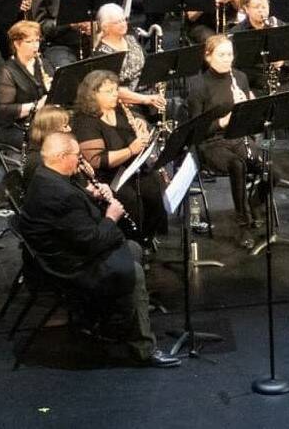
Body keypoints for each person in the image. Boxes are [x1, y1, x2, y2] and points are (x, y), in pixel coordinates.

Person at [17, 131, 179, 368]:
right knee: (134, 271)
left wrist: (89, 194)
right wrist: (111, 217)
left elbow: (74, 219)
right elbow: (93, 241)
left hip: (65, 252)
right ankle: (143, 348)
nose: (80, 162)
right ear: (62, 156)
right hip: (71, 267)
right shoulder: (60, 195)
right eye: (77, 157)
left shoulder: (44, 176)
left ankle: (119, 315)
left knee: (133, 248)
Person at [186, 34, 266, 249]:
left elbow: (251, 118)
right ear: (208, 57)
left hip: (239, 138)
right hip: (211, 143)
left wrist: (250, 108)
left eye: (230, 54)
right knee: (237, 165)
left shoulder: (239, 77)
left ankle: (254, 201)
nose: (227, 59)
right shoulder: (198, 85)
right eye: (221, 55)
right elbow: (196, 131)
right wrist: (224, 121)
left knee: (270, 170)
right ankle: (243, 225)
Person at [70, 70, 166, 245]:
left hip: (130, 169)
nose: (115, 94)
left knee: (153, 185)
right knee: (130, 198)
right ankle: (131, 241)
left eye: (115, 89)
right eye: (109, 91)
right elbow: (97, 160)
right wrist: (130, 150)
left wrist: (141, 123)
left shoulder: (119, 108)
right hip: (108, 178)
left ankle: (148, 235)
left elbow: (135, 120)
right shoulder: (85, 122)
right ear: (92, 95)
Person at [229, 0, 289, 173]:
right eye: (256, 7)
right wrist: (244, 89)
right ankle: (255, 161)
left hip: (280, 80)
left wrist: (283, 61)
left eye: (264, 7)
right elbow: (234, 67)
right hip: (253, 83)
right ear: (246, 9)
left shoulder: (279, 26)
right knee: (250, 111)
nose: (261, 11)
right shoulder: (237, 33)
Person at [93, 3, 166, 112]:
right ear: (105, 26)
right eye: (118, 22)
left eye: (124, 20)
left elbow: (147, 65)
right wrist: (146, 99)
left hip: (148, 96)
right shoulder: (102, 54)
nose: (124, 24)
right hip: (125, 105)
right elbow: (113, 90)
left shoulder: (131, 39)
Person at [0, 21, 52, 150]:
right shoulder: (7, 72)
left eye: (37, 40)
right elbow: (5, 110)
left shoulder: (44, 63)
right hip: (13, 126)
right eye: (30, 42)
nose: (35, 46)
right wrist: (36, 106)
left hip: (39, 120)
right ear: (17, 44)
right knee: (49, 141)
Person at [23, 105, 71, 190]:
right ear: (51, 130)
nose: (69, 129)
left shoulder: (53, 153)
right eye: (65, 126)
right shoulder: (40, 162)